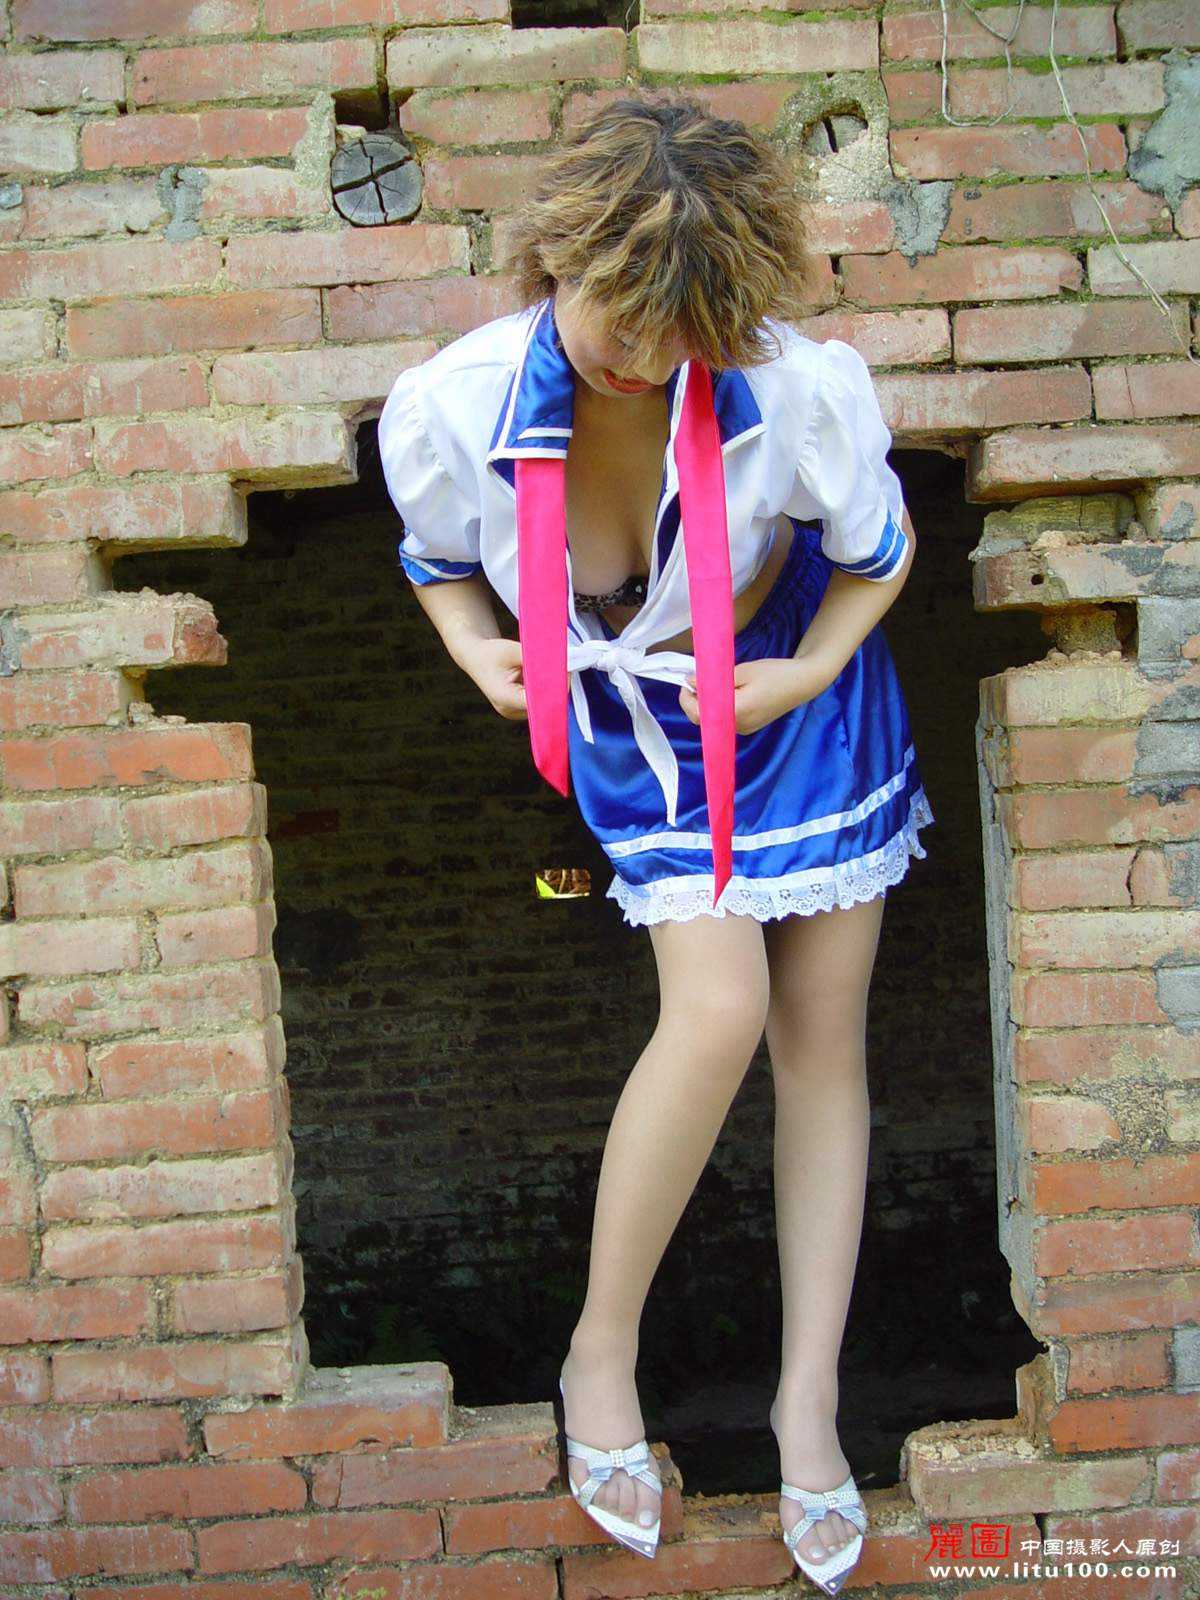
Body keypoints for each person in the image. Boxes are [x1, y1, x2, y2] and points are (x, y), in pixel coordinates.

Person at [378, 92, 935, 1596]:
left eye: (681, 327)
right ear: (559, 253)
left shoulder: (788, 387)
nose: (640, 351)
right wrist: (472, 650)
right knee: (719, 1006)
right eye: (619, 310)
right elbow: (434, 559)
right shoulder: (455, 405)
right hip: (641, 722)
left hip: (794, 695)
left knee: (821, 1041)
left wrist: (808, 672)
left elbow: (878, 558)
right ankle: (599, 1356)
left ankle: (806, 1406)